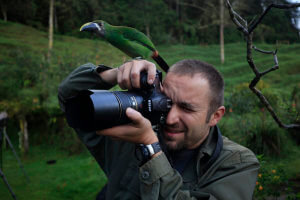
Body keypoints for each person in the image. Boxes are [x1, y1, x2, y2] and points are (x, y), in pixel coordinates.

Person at [58, 59, 259, 200]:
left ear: (216, 115)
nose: (170, 119)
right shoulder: (130, 134)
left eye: (187, 108)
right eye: (167, 103)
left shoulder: (237, 163)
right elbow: (69, 98)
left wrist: (150, 149)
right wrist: (113, 74)